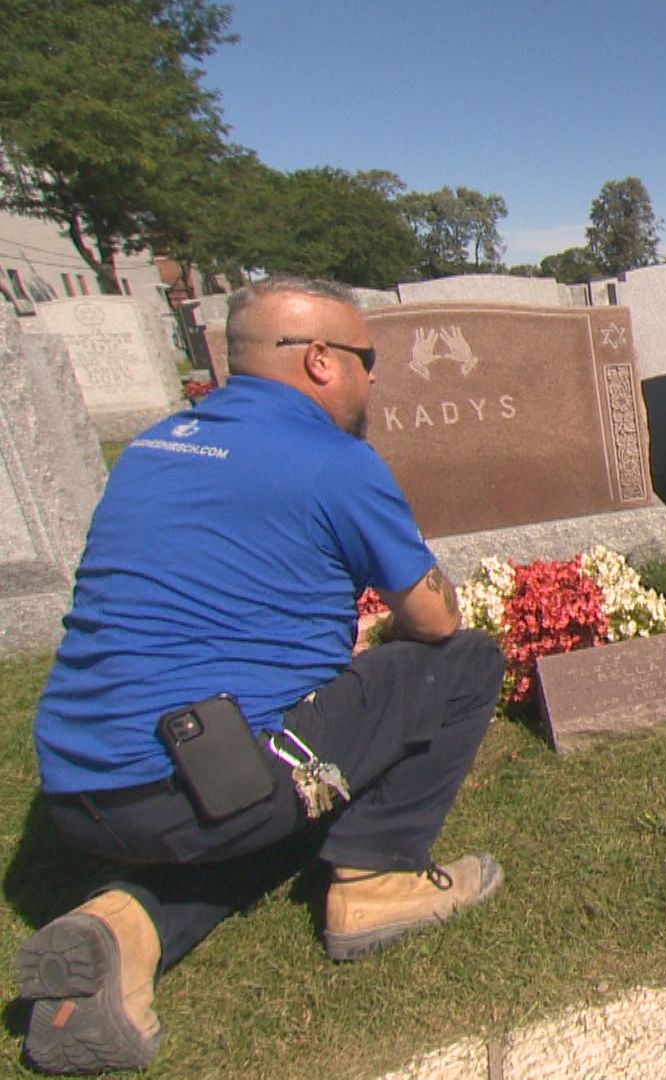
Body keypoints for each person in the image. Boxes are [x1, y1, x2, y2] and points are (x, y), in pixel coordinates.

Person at [16, 275, 506, 1075]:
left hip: (80, 791)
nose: (373, 377)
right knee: (463, 661)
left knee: (266, 816)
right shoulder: (333, 460)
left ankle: (117, 930)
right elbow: (435, 621)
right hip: (204, 784)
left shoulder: (151, 445)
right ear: (319, 360)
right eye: (365, 358)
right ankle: (375, 880)